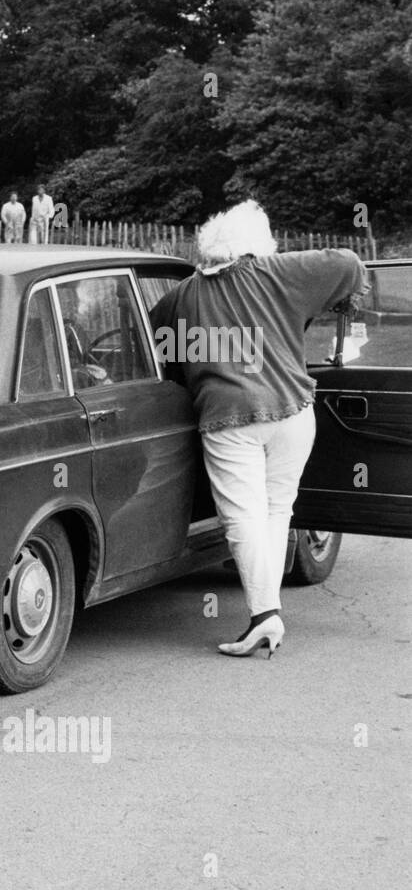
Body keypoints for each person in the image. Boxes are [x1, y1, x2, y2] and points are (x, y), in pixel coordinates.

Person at [149, 200, 368, 658]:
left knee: (243, 516)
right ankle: (267, 614)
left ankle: (265, 615)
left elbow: (155, 344)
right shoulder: (275, 274)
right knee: (276, 510)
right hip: (292, 412)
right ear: (255, 247)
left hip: (228, 420)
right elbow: (348, 263)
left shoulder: (181, 296)